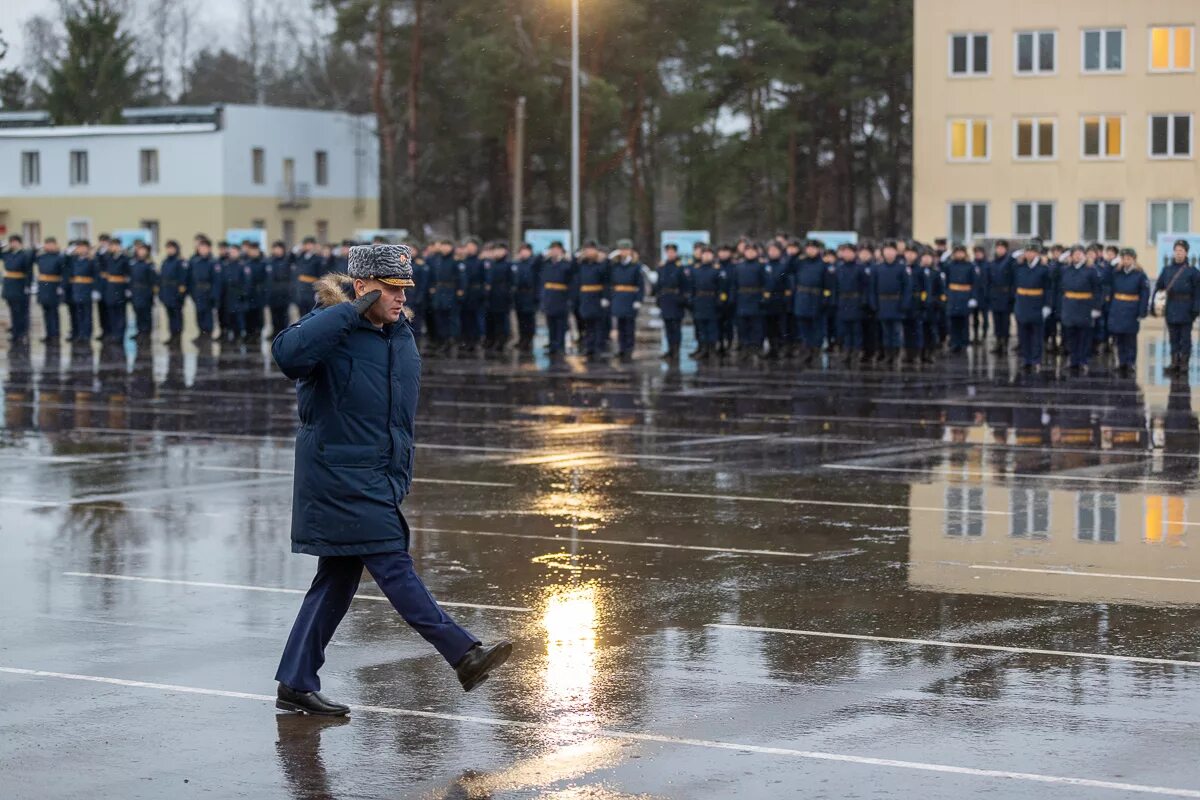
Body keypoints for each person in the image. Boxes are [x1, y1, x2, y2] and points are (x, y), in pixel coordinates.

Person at [271, 243, 512, 716]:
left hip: (378, 476)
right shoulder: (331, 328)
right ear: (361, 288)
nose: (401, 298)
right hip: (338, 475)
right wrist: (347, 312)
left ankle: (296, 681)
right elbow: (288, 355)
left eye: (405, 289)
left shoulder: (398, 334)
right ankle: (463, 654)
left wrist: (399, 471)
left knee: (336, 580)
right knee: (393, 564)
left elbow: (397, 415)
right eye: (390, 288)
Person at [1154, 239, 1200, 377]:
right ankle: (1174, 362)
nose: (1178, 253)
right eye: (1177, 250)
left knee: (1185, 338)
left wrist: (1196, 309)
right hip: (1171, 307)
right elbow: (1159, 287)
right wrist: (1155, 305)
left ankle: (1184, 363)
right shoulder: (1167, 270)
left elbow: (1198, 292)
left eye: (1181, 251)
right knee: (1173, 337)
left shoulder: (1193, 271)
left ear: (1186, 253)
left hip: (1187, 308)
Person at [1058, 244, 1102, 375]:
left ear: (1084, 256)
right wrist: (1060, 260)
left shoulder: (1091, 270)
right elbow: (1055, 279)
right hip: (1070, 305)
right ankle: (1073, 360)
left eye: (1080, 254)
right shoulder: (1065, 269)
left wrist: (1096, 307)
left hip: (1085, 305)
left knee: (1084, 335)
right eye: (1075, 254)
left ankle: (1083, 361)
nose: (1077, 256)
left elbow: (1098, 290)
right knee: (1070, 335)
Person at [1107, 248, 1150, 378]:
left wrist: (1142, 311)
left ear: (1134, 259)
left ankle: (1131, 362)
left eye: (1129, 258)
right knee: (1119, 337)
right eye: (1124, 258)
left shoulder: (1140, 275)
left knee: (1130, 338)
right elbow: (1110, 289)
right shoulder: (1116, 273)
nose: (1126, 261)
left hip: (1132, 308)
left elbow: (1144, 294)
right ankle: (1122, 362)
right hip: (1118, 307)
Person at [1013, 243, 1053, 373]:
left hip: (1037, 304)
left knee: (1036, 335)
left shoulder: (1043, 269)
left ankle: (1036, 360)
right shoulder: (1019, 267)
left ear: (1037, 253)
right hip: (1022, 304)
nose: (1029, 254)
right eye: (1027, 252)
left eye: (1032, 252)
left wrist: (1047, 305)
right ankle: (1026, 359)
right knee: (1023, 334)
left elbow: (1048, 289)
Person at [834, 243, 869, 367]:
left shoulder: (860, 268)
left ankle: (857, 351)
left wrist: (863, 301)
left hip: (856, 301)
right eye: (845, 252)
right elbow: (835, 287)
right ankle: (847, 351)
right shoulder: (839, 268)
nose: (847, 254)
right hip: (843, 301)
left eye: (850, 252)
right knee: (846, 329)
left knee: (856, 330)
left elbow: (865, 287)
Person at [609, 239, 644, 362]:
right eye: (622, 250)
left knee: (629, 326)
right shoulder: (615, 265)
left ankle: (629, 348)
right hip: (618, 297)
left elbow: (640, 284)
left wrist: (638, 299)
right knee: (620, 325)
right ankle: (621, 348)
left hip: (630, 297)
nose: (624, 252)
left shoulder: (636, 266)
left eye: (626, 249)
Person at [731, 242, 767, 362]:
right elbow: (734, 284)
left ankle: (756, 347)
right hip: (742, 299)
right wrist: (733, 298)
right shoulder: (739, 266)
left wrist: (764, 297)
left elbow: (766, 283)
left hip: (756, 298)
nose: (750, 253)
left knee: (757, 326)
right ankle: (745, 348)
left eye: (753, 251)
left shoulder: (761, 266)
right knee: (742, 326)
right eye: (748, 251)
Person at [538, 240, 573, 360]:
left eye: (557, 249)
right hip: (549, 296)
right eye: (552, 249)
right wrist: (541, 256)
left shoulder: (566, 264)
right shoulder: (546, 263)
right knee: (550, 323)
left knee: (561, 324)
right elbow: (534, 267)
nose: (554, 251)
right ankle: (552, 346)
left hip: (561, 296)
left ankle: (560, 347)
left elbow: (573, 275)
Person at [689, 246, 724, 360]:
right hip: (699, 301)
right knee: (701, 327)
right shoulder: (696, 269)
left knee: (712, 327)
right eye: (704, 254)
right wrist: (692, 300)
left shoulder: (717, 270)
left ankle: (712, 349)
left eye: (709, 254)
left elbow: (721, 287)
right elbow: (692, 287)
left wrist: (720, 300)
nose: (707, 256)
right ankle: (703, 349)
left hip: (712, 301)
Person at [654, 243, 688, 361]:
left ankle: (676, 350)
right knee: (668, 326)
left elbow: (685, 286)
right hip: (665, 299)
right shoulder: (662, 267)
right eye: (668, 252)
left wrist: (682, 298)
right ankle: (670, 349)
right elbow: (658, 285)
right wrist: (658, 298)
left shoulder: (680, 267)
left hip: (676, 299)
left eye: (672, 252)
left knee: (676, 327)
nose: (670, 254)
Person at [482, 241, 514, 354]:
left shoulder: (508, 264)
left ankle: (502, 340)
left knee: (502, 320)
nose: (497, 252)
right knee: (490, 319)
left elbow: (512, 281)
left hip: (502, 294)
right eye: (495, 250)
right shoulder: (490, 263)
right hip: (491, 295)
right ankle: (491, 339)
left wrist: (508, 294)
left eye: (500, 250)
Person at [944, 244, 977, 354]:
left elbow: (974, 283)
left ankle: (964, 342)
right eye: (957, 252)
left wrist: (973, 297)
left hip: (965, 295)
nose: (959, 254)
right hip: (953, 295)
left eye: (961, 252)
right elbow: (946, 281)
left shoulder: (970, 266)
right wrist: (947, 294)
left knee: (964, 321)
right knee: (953, 321)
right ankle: (954, 342)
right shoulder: (949, 265)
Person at [2, 234, 34, 344]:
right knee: (13, 311)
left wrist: (28, 285)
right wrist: (3, 245)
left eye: (14, 242)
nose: (12, 244)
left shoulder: (25, 254)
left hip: (20, 286)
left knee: (21, 312)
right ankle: (15, 332)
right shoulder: (7, 254)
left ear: (19, 243)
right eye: (11, 242)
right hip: (9, 286)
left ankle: (21, 333)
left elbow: (29, 272)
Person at [34, 237, 66, 344]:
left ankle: (55, 335)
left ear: (55, 245)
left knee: (54, 313)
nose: (48, 246)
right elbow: (29, 258)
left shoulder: (59, 257)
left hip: (53, 286)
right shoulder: (41, 256)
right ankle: (48, 334)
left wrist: (61, 286)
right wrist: (35, 249)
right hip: (43, 287)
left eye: (51, 244)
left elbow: (65, 273)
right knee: (46, 312)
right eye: (47, 244)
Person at [188, 237, 219, 342]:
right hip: (198, 292)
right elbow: (191, 279)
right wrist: (192, 292)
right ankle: (201, 333)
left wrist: (214, 294)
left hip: (208, 292)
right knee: (199, 313)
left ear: (209, 249)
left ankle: (208, 334)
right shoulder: (195, 261)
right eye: (201, 248)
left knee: (207, 315)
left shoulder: (213, 262)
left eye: (205, 248)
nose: (202, 250)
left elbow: (216, 281)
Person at [512, 243, 540, 356]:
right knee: (520, 318)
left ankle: (529, 339)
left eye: (526, 250)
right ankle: (522, 338)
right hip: (519, 294)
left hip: (530, 293)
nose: (524, 253)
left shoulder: (534, 264)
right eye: (522, 251)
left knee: (529, 318)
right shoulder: (517, 264)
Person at [67, 240, 97, 343]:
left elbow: (96, 275)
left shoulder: (91, 260)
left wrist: (95, 290)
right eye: (79, 247)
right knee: (78, 313)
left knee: (87, 314)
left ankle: (87, 334)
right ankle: (80, 333)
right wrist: (69, 252)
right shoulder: (74, 260)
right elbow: (65, 263)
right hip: (77, 289)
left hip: (87, 289)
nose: (81, 249)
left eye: (83, 247)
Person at [159, 240, 188, 344]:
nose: (170, 250)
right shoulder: (165, 261)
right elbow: (161, 278)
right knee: (170, 316)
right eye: (168, 248)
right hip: (167, 292)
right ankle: (172, 335)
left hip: (175, 293)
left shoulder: (180, 262)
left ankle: (177, 336)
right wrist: (161, 293)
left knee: (177, 316)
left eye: (172, 248)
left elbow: (183, 279)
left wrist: (181, 294)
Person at [129, 242, 159, 341]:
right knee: (138, 312)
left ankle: (146, 332)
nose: (141, 252)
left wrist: (152, 293)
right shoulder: (134, 263)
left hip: (146, 291)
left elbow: (154, 280)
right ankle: (140, 331)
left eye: (143, 250)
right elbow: (131, 278)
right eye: (139, 250)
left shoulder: (150, 264)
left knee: (146, 313)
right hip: (135, 291)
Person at [266, 241, 293, 338]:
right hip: (273, 293)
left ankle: (283, 332)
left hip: (283, 293)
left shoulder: (287, 261)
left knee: (284, 315)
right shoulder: (270, 261)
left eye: (279, 248)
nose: (277, 251)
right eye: (275, 248)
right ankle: (275, 331)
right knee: (274, 314)